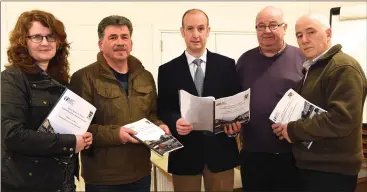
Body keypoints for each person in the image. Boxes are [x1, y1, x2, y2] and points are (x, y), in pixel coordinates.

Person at [69, 15, 170, 192]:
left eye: (125, 37)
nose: (120, 42)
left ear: (131, 43)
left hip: (141, 173)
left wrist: (160, 126)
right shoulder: (83, 78)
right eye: (113, 37)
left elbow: (151, 115)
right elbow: (78, 129)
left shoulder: (145, 76)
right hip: (103, 178)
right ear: (101, 44)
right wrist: (118, 134)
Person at [272, 14, 367, 192]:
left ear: (328, 34)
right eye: (299, 35)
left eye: (311, 32)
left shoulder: (342, 67)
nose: (304, 40)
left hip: (331, 170)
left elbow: (342, 120)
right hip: (313, 165)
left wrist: (294, 129)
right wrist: (286, 126)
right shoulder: (314, 67)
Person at [1, 10, 92, 192]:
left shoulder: (60, 80)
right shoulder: (12, 79)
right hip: (27, 183)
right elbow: (13, 135)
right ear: (23, 41)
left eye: (50, 37)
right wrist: (70, 142)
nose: (44, 42)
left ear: (58, 42)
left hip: (62, 182)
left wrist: (82, 137)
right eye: (37, 37)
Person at [157, 9, 242, 192]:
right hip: (184, 154)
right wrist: (175, 121)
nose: (196, 35)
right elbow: (163, 108)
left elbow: (235, 103)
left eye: (201, 28)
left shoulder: (227, 65)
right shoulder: (167, 70)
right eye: (190, 29)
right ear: (182, 32)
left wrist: (235, 128)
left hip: (221, 153)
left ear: (208, 31)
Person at [236, 6, 305, 191]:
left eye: (273, 25)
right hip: (253, 153)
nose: (266, 31)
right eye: (261, 26)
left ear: (285, 28)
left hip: (291, 155)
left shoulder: (303, 58)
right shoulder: (244, 60)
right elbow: (236, 100)